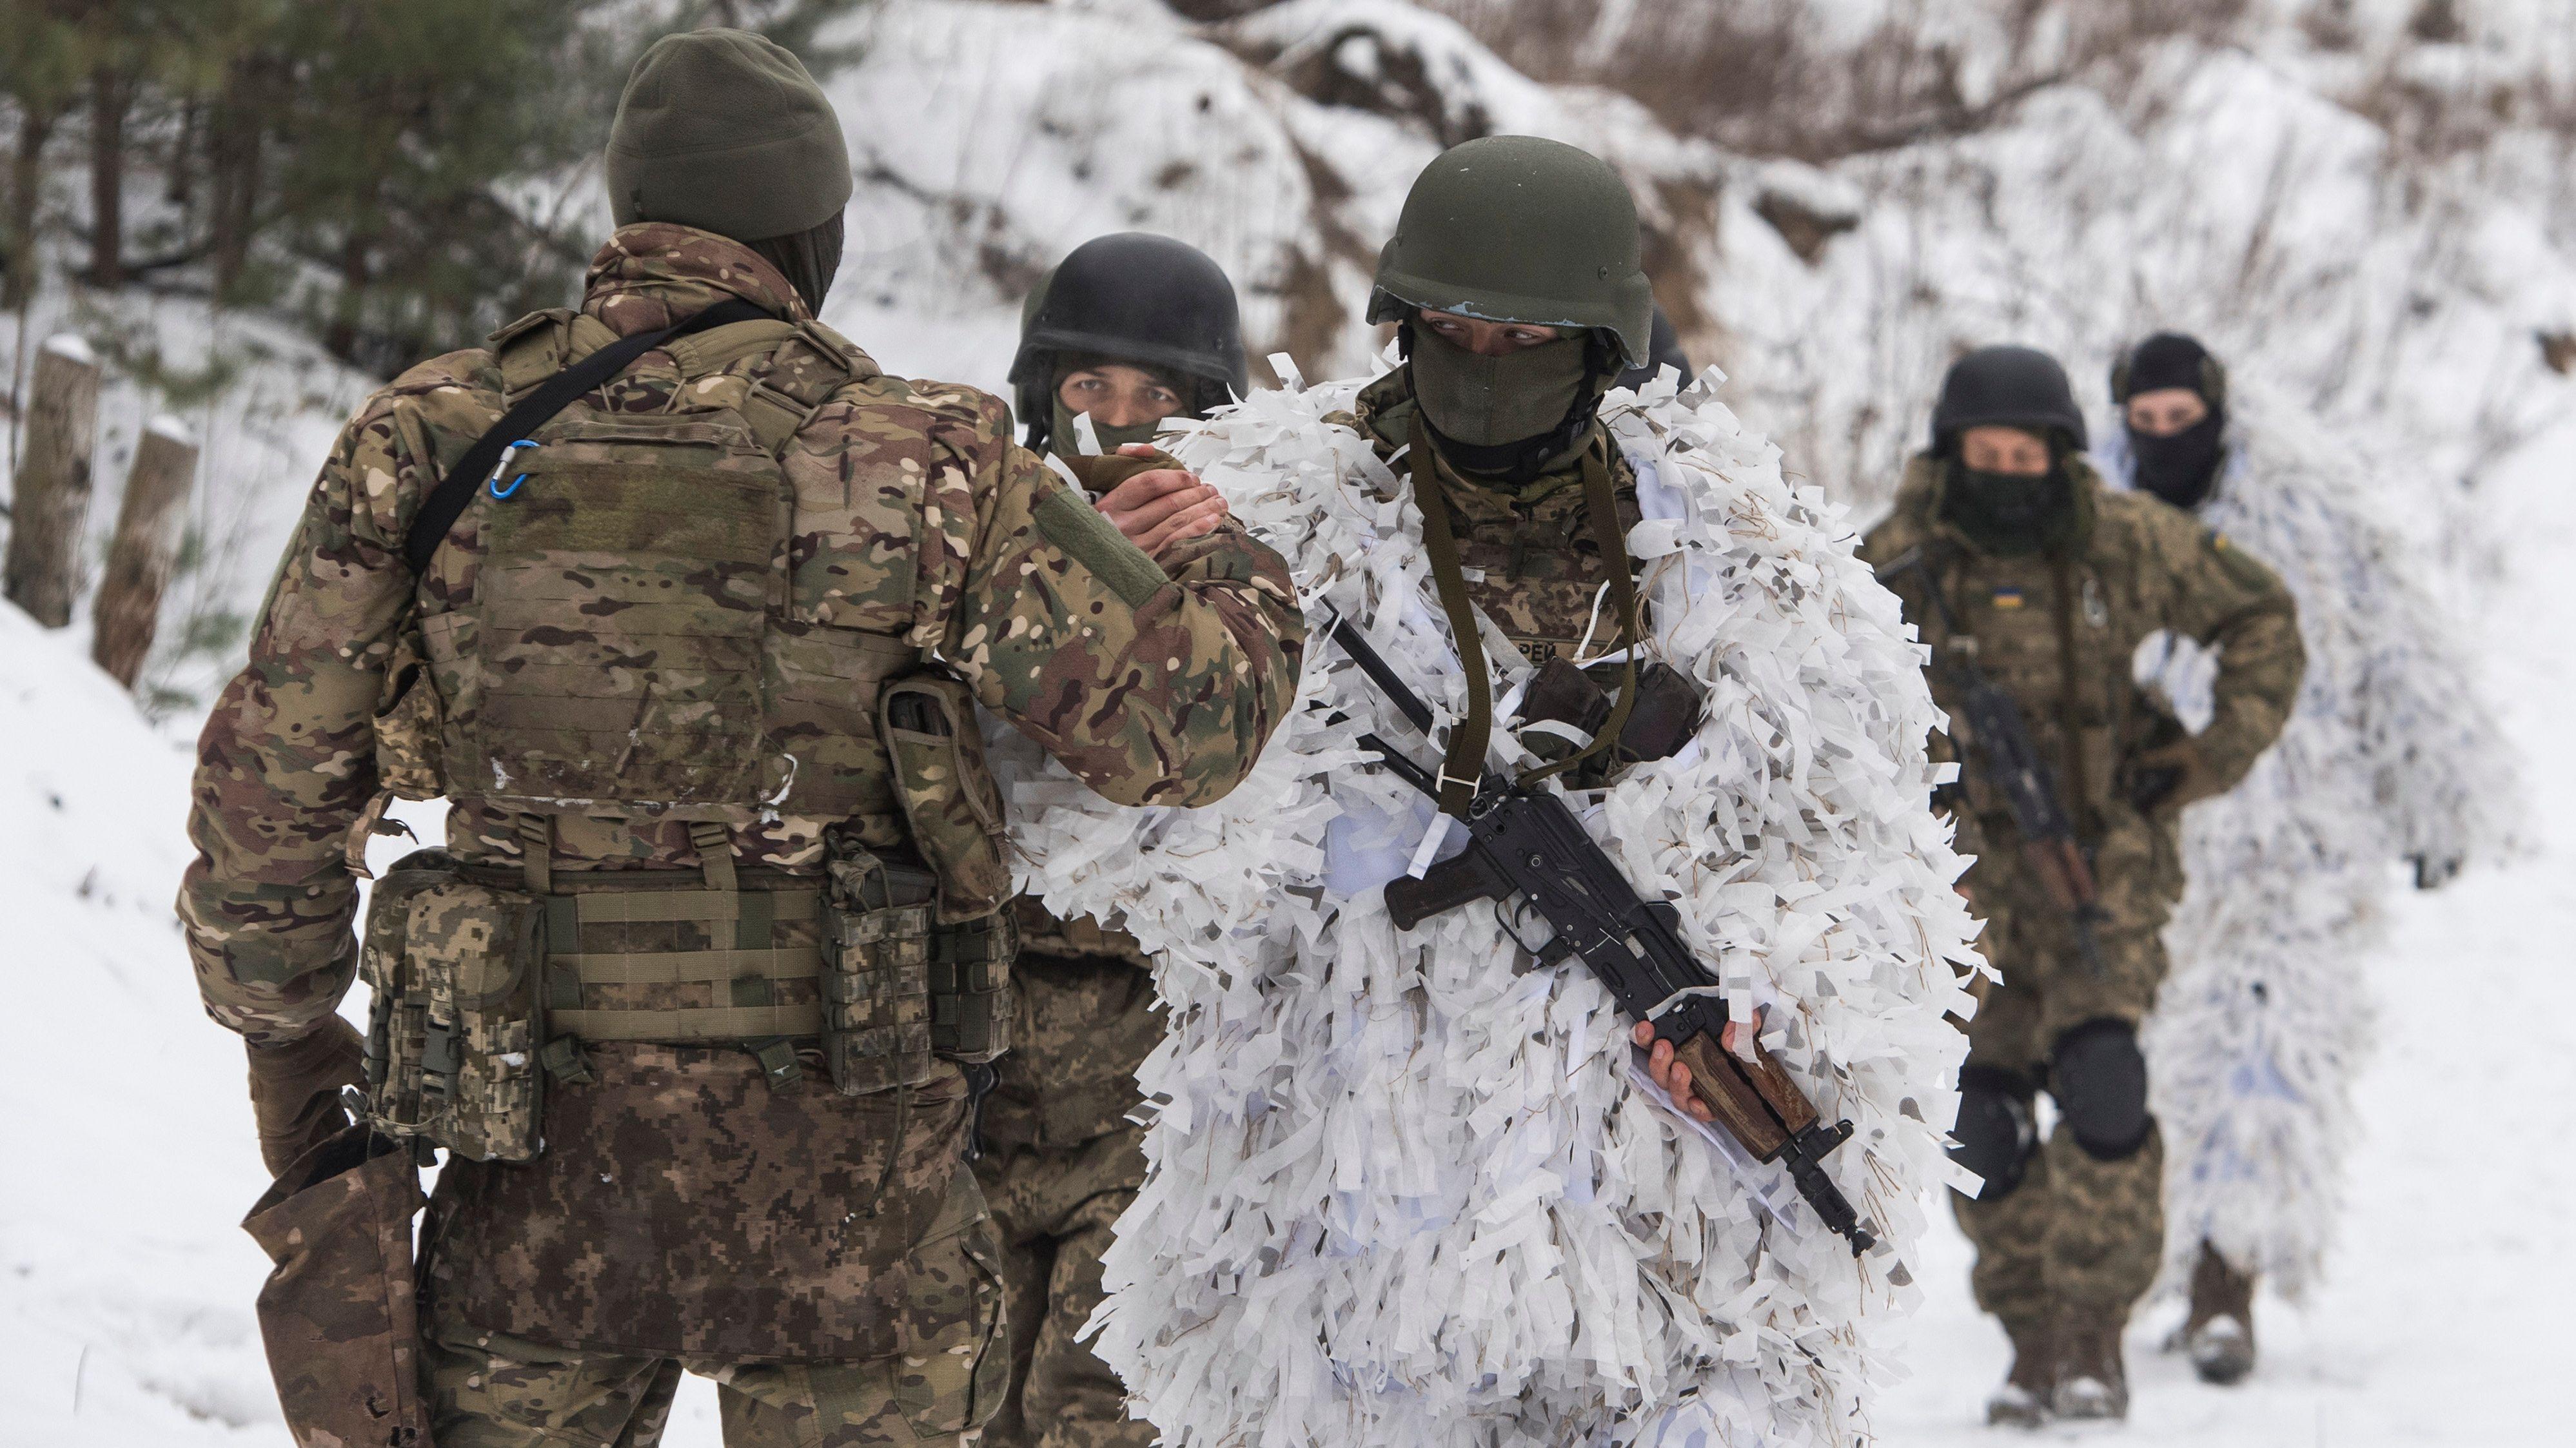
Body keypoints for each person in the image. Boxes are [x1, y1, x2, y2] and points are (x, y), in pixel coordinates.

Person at [178, 30, 1303, 1447]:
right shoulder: (931, 457)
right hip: (861, 1223)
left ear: (626, 212)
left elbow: (267, 806)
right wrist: (1227, 551)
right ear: (814, 232)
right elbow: (1193, 732)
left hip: (532, 1195)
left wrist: (294, 1069)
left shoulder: (433, 436)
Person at [1003, 135, 1981, 1448]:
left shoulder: (1742, 559)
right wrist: (1105, 612)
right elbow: (1103, 831)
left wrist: (1763, 1008)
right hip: (1344, 1237)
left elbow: (1864, 868)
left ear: (1598, 346)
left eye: (1523, 336)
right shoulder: (1279, 512)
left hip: (1662, 1244)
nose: (1482, 360)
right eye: (1451, 328)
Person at [1858, 345, 2305, 1425]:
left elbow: (2263, 620)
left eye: (2027, 452)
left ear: (2061, 452)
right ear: (1952, 452)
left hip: (2103, 863)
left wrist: (2206, 758)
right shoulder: (1896, 556)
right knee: (1988, 1118)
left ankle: (2096, 1330)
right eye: (1987, 452)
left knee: (2103, 1085)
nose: (2008, 470)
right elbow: (1821, 688)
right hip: (1959, 882)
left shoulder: (2120, 539)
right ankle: (2031, 1336)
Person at [2107, 333, 2514, 1385]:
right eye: (2144, 425)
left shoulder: (2311, 520)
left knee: (2268, 1053)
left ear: (2216, 412)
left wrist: (2438, 801)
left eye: (2179, 421)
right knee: (2150, 1057)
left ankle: (2225, 1277)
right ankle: (2131, 1262)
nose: (2166, 441)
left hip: (2296, 837)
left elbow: (2399, 654)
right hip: (2142, 844)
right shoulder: (2090, 522)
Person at [977, 231, 1249, 1448]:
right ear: (1046, 393)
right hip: (968, 1074)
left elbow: (1209, 741)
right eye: (1089, 390)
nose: (1118, 422)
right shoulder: (971, 536)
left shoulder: (1245, 564)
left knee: (1106, 1421)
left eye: (1157, 399)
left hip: (1145, 1089)